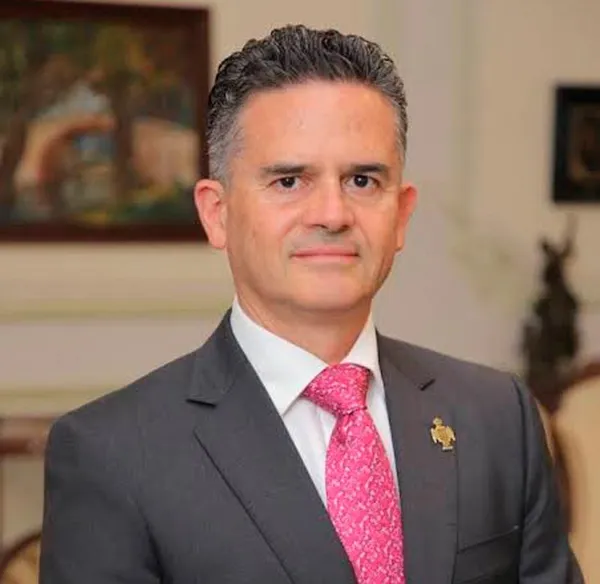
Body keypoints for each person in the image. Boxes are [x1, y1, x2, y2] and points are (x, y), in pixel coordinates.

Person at [39, 25, 583, 584]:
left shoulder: (496, 417)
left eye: (362, 180)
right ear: (216, 213)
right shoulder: (113, 454)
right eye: (289, 181)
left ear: (401, 214)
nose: (332, 213)